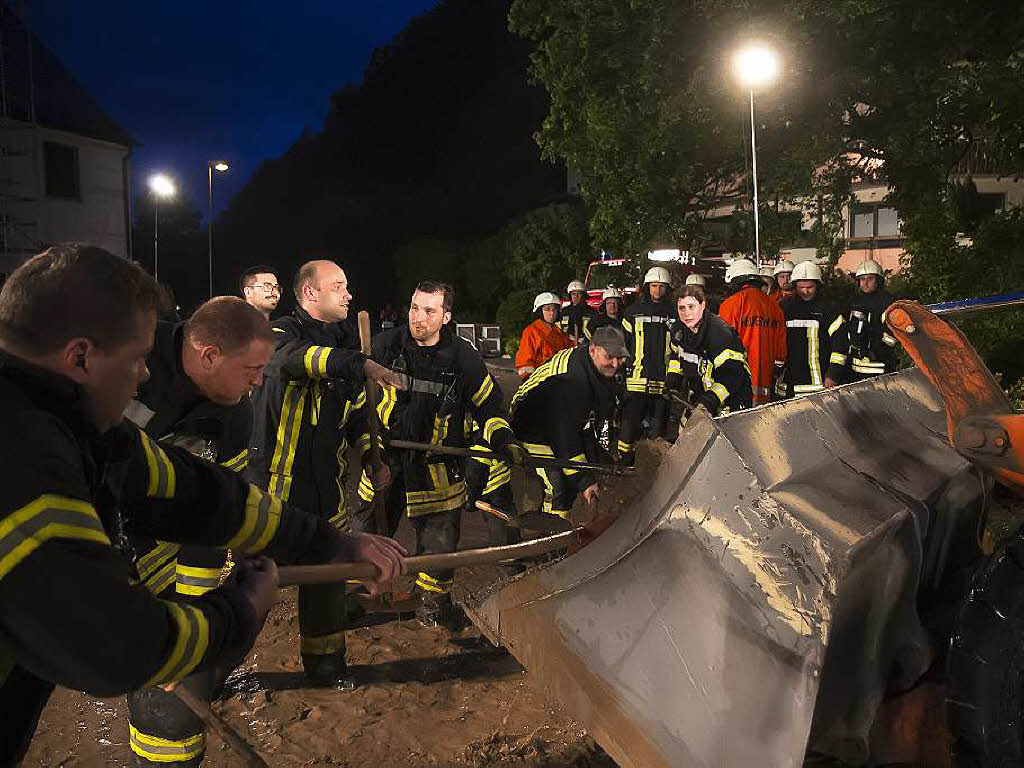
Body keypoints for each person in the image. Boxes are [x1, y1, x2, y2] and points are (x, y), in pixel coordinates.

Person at [0, 245, 405, 765]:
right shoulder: (22, 459)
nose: (145, 377)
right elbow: (120, 647)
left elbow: (200, 493)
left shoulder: (73, 424)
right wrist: (238, 610)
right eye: (138, 359)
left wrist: (333, 542)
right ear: (80, 357)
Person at [123, 297, 274, 765]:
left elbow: (215, 513)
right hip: (90, 549)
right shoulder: (127, 366)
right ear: (209, 356)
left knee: (188, 673)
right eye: (251, 368)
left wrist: (189, 618)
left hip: (163, 545)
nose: (259, 381)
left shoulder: (235, 411)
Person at [248, 259, 405, 687]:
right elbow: (287, 362)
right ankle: (210, 670)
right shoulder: (280, 333)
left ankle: (326, 670)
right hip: (275, 497)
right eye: (338, 286)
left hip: (328, 496)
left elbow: (357, 417)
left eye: (348, 286)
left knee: (326, 590)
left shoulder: (340, 346)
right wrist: (359, 364)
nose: (348, 295)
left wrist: (374, 453)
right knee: (253, 591)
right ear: (309, 294)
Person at [353, 281, 519, 629]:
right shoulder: (383, 346)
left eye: (429, 310)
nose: (418, 317)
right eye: (414, 307)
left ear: (446, 317)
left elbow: (488, 405)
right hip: (386, 463)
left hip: (437, 469)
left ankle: (431, 606)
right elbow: (355, 405)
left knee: (440, 547)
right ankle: (356, 602)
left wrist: (502, 437)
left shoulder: (463, 356)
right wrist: (372, 452)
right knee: (365, 536)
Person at [510, 327, 628, 518]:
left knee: (575, 478)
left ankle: (559, 528)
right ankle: (551, 537)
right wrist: (585, 481)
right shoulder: (570, 380)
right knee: (558, 485)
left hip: (561, 423)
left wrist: (599, 459)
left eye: (620, 358)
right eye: (609, 357)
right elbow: (563, 437)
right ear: (592, 350)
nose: (615, 364)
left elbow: (583, 424)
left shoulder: (595, 369)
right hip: (531, 426)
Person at [668, 286, 752, 417]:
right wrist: (673, 379)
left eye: (691, 307)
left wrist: (711, 399)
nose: (687, 313)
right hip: (700, 399)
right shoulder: (678, 330)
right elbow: (676, 356)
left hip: (730, 403)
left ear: (702, 305)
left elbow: (733, 376)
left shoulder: (721, 334)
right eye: (682, 308)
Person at [618, 266, 674, 462]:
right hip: (636, 378)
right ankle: (624, 460)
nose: (657, 291)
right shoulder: (632, 313)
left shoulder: (673, 314)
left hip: (663, 380)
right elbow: (623, 343)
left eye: (661, 286)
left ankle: (652, 464)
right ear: (646, 287)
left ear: (668, 289)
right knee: (629, 423)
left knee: (658, 426)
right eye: (653, 286)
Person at [718, 259, 786, 407]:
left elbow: (723, 344)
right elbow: (781, 351)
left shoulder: (730, 305)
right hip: (766, 383)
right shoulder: (775, 307)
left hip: (738, 380)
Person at [776, 261, 848, 398]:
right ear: (794, 286)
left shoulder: (829, 309)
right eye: (800, 287)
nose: (805, 291)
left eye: (810, 287)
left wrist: (833, 374)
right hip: (789, 387)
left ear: (818, 285)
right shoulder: (784, 308)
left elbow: (840, 345)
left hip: (821, 386)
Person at [846, 259, 898, 381]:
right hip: (857, 366)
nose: (865, 283)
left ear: (878, 281)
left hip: (881, 366)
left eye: (870, 279)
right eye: (862, 279)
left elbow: (892, 334)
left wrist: (877, 349)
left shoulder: (888, 302)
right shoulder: (855, 301)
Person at [515, 292, 574, 378]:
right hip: (539, 381)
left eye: (554, 309)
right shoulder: (531, 332)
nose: (552, 313)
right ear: (540, 311)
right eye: (547, 309)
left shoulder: (559, 333)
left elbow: (571, 350)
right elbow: (525, 363)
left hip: (559, 380)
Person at [559, 279, 595, 344]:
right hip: (567, 345)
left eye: (579, 294)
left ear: (584, 295)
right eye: (573, 294)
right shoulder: (564, 312)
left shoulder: (591, 312)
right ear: (570, 296)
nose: (576, 296)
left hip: (586, 345)